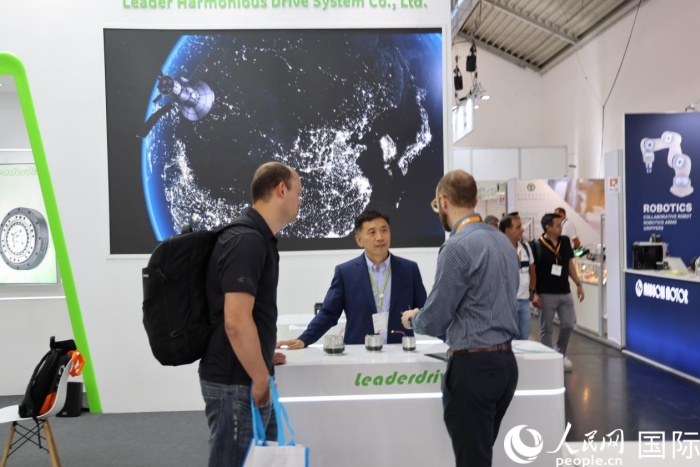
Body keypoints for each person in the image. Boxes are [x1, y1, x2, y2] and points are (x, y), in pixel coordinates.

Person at [401, 170, 519, 467]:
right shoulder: (504, 242)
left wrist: (415, 319)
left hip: (473, 367)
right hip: (506, 365)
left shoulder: (456, 246)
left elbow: (436, 319)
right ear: (475, 201)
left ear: (443, 201)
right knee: (480, 455)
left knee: (472, 460)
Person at [198, 162, 302, 467]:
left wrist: (263, 356)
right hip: (237, 384)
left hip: (246, 378)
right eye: (298, 193)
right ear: (281, 189)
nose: (300, 200)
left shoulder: (257, 238)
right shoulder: (248, 241)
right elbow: (236, 320)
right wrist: (259, 376)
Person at [276, 209, 427, 348]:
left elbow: (426, 311)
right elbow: (329, 313)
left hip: (400, 352)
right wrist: (304, 339)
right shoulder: (345, 273)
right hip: (358, 354)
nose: (380, 237)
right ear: (359, 240)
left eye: (384, 230)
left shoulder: (409, 269)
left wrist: (442, 336)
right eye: (372, 232)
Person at [530, 212, 585, 372]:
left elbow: (569, 264)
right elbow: (532, 271)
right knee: (546, 328)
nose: (561, 227)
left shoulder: (565, 242)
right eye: (558, 225)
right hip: (546, 293)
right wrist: (534, 293)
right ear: (548, 227)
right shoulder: (536, 245)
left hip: (564, 291)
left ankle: (560, 353)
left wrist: (578, 283)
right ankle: (548, 358)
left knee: (569, 323)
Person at [499, 212, 536, 340]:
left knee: (524, 336)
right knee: (508, 338)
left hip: (524, 300)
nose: (522, 229)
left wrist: (532, 290)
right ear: (507, 231)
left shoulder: (525, 247)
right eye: (518, 227)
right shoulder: (498, 250)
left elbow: (532, 270)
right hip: (506, 303)